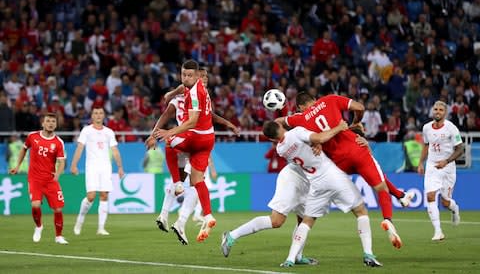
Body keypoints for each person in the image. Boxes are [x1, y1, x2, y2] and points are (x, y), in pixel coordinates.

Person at [222, 120, 382, 267]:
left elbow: (317, 136)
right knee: (276, 221)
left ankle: (297, 256)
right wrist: (327, 136)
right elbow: (318, 134)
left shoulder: (281, 147)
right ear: (281, 127)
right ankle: (231, 236)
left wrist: (320, 142)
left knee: (304, 219)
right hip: (293, 178)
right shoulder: (297, 133)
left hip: (309, 179)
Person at [278, 92, 414, 249]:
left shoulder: (299, 119)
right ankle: (388, 219)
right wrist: (355, 123)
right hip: (356, 148)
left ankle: (401, 196)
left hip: (338, 163)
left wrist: (281, 111)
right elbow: (360, 107)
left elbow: (279, 122)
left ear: (300, 107)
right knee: (379, 186)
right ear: (314, 99)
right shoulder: (329, 99)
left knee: (373, 176)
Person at [146, 65, 238, 244]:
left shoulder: (199, 94)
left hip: (191, 138)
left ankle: (180, 221)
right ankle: (166, 215)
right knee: (188, 181)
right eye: (200, 76)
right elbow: (166, 114)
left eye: (205, 77)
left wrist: (228, 123)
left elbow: (207, 115)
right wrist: (170, 94)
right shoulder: (183, 95)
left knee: (194, 184)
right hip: (189, 138)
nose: (202, 80)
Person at [153, 60, 216, 243]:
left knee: (169, 145)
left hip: (192, 137)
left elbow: (195, 120)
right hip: (201, 139)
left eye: (192, 75)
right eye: (184, 75)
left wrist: (168, 132)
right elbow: (173, 99)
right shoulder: (189, 91)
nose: (187, 78)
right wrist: (173, 92)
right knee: (195, 182)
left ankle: (175, 212)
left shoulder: (196, 93)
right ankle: (204, 216)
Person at [9, 113, 68, 244]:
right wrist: (17, 166)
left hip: (50, 180)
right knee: (35, 205)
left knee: (58, 209)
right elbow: (24, 150)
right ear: (43, 123)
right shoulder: (32, 136)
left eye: (53, 121)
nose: (51, 123)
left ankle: (58, 236)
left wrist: (57, 174)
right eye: (48, 121)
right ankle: (39, 226)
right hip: (35, 179)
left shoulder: (58, 142)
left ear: (56, 124)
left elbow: (62, 161)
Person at [70, 107, 125, 236]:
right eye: (96, 113)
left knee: (104, 196)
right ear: (92, 116)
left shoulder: (109, 132)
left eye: (100, 113)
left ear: (104, 115)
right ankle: (80, 219)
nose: (98, 115)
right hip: (92, 167)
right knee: (91, 196)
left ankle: (101, 228)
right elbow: (80, 148)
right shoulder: (86, 131)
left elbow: (115, 150)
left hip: (105, 167)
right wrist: (74, 165)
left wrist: (120, 167)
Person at [418, 101, 462, 241]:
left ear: (445, 113)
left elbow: (460, 149)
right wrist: (420, 163)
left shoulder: (451, 128)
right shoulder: (426, 128)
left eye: (441, 110)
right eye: (435, 109)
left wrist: (446, 161)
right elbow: (426, 145)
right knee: (430, 196)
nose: (437, 111)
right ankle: (438, 231)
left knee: (445, 202)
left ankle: (454, 209)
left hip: (448, 168)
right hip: (432, 166)